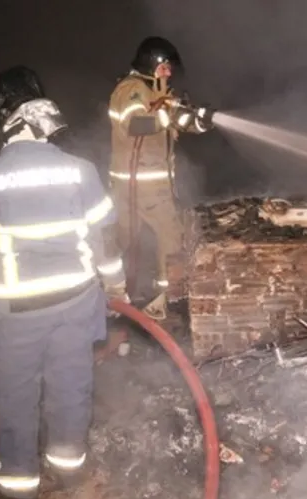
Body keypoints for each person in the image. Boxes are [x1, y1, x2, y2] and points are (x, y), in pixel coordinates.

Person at [0, 65, 128, 499]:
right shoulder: (80, 171)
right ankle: (69, 470)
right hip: (77, 307)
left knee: (16, 398)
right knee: (72, 386)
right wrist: (116, 287)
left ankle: (17, 486)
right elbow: (106, 237)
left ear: (6, 123)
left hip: (17, 318)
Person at [107, 36, 215, 320]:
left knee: (126, 239)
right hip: (138, 184)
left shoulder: (158, 92)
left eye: (170, 68)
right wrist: (167, 116)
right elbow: (135, 124)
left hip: (148, 185)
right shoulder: (131, 90)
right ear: (151, 63)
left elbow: (178, 120)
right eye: (165, 67)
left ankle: (155, 298)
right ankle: (168, 301)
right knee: (168, 238)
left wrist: (201, 121)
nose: (169, 73)